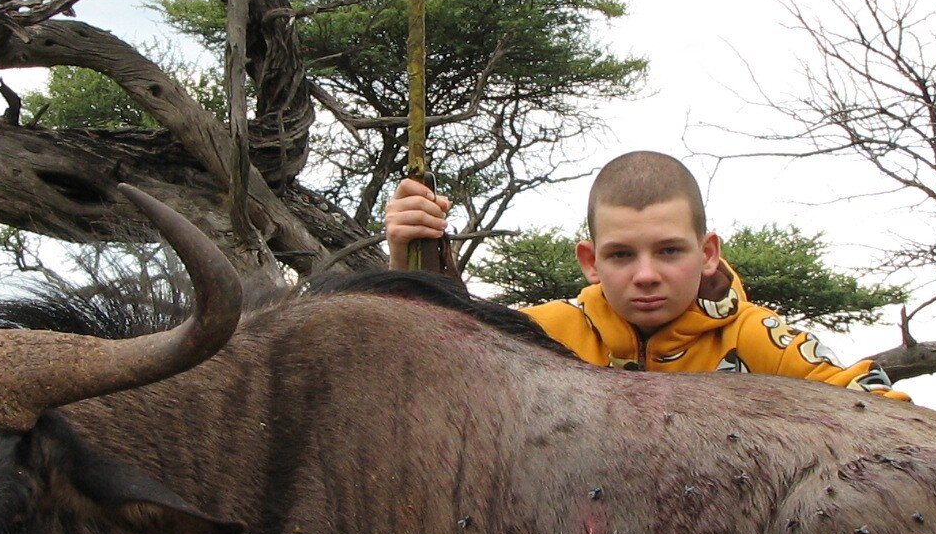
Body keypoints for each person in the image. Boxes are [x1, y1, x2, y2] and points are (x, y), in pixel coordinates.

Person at [384, 151, 903, 396]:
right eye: (621, 255)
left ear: (708, 253)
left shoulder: (756, 338)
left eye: (670, 251)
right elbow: (435, 371)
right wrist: (407, 255)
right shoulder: (542, 333)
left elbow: (875, 405)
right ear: (590, 261)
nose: (647, 275)